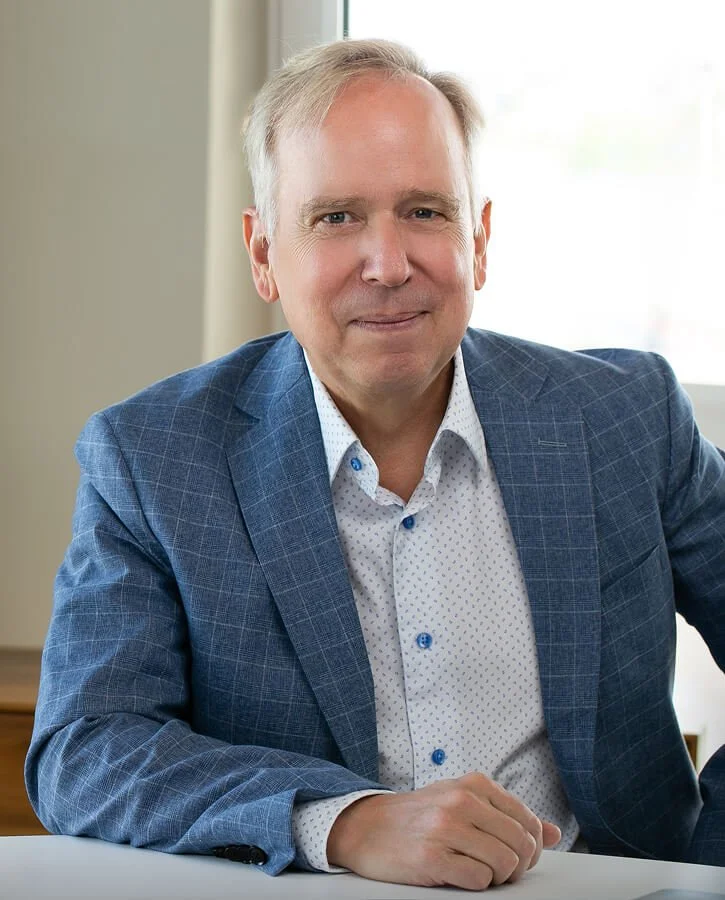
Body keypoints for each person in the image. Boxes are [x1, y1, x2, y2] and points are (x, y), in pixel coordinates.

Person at [26, 38, 725, 889]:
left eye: (426, 212)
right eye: (335, 217)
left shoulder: (624, 415)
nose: (388, 265)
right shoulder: (153, 458)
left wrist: (707, 865)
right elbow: (86, 747)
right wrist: (342, 823)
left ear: (479, 238)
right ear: (261, 254)